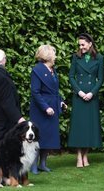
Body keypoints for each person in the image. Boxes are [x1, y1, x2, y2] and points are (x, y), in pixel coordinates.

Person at [68, 33, 104, 168]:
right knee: (79, 127)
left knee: (89, 127)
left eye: (83, 44)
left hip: (91, 96)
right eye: (79, 45)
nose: (81, 47)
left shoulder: (99, 58)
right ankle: (78, 156)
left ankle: (85, 155)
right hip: (79, 96)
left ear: (90, 44)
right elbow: (71, 77)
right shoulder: (76, 57)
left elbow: (100, 79)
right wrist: (80, 91)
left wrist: (92, 93)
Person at [29, 44, 67, 174]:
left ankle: (43, 164)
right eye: (54, 54)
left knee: (48, 138)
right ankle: (33, 165)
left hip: (53, 107)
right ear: (48, 56)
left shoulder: (53, 70)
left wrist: (61, 102)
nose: (55, 56)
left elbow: (54, 91)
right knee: (37, 138)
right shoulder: (37, 70)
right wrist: (45, 107)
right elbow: (35, 92)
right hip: (41, 109)